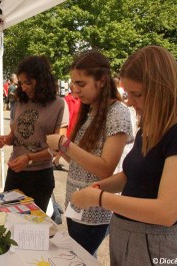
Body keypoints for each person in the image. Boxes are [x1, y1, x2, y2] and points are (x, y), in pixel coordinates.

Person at [67, 46, 177, 265]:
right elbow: (131, 176)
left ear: (161, 89)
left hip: (153, 246)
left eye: (136, 94)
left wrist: (99, 198)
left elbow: (166, 211)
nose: (129, 101)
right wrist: (98, 187)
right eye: (128, 93)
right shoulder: (150, 127)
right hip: (126, 235)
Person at [46, 50, 134, 256]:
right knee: (82, 257)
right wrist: (59, 148)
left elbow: (105, 168)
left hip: (95, 208)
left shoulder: (117, 112)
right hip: (76, 202)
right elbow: (77, 160)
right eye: (73, 84)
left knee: (81, 257)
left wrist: (64, 143)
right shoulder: (91, 110)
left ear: (102, 81)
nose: (75, 90)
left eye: (81, 84)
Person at [0, 55, 68, 212]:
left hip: (40, 176)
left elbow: (57, 148)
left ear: (42, 80)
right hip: (15, 171)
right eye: (21, 83)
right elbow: (14, 135)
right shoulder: (21, 101)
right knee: (9, 218)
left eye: (28, 83)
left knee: (33, 227)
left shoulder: (59, 105)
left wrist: (29, 158)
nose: (24, 87)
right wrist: (4, 140)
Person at [52, 81, 80, 171]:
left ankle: (56, 160)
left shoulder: (79, 100)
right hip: (69, 126)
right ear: (72, 89)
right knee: (65, 145)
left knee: (70, 146)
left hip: (76, 126)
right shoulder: (67, 100)